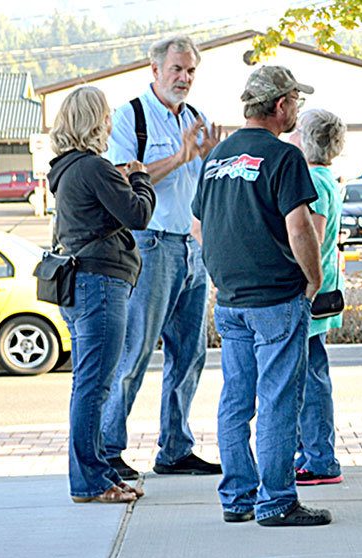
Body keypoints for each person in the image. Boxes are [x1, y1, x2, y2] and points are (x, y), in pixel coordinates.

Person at [191, 65, 330, 527]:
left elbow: (199, 226)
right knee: (277, 398)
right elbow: (300, 226)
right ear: (280, 105)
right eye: (296, 101)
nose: (296, 110)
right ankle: (276, 502)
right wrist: (313, 278)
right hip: (275, 298)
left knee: (236, 398)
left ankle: (237, 498)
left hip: (230, 300)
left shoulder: (216, 157)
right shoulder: (284, 156)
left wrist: (224, 270)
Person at [103, 34, 223, 480]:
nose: (185, 78)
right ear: (154, 70)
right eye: (177, 69)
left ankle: (175, 449)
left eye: (191, 70)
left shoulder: (196, 118)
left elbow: (201, 183)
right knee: (133, 352)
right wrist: (180, 156)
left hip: (191, 248)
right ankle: (108, 450)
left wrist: (207, 158)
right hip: (149, 245)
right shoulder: (130, 117)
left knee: (189, 355)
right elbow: (122, 178)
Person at [48, 86, 157, 504]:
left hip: (80, 285)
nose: (111, 123)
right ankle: (90, 481)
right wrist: (140, 178)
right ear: (96, 121)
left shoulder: (66, 169)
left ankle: (97, 472)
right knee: (95, 385)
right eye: (106, 116)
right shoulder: (95, 168)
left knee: (89, 383)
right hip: (100, 285)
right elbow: (139, 215)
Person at [290, 108, 347, 486]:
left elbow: (315, 235)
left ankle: (319, 457)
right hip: (323, 292)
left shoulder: (313, 181)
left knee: (310, 378)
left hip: (313, 293)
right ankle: (309, 452)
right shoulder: (328, 177)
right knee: (310, 374)